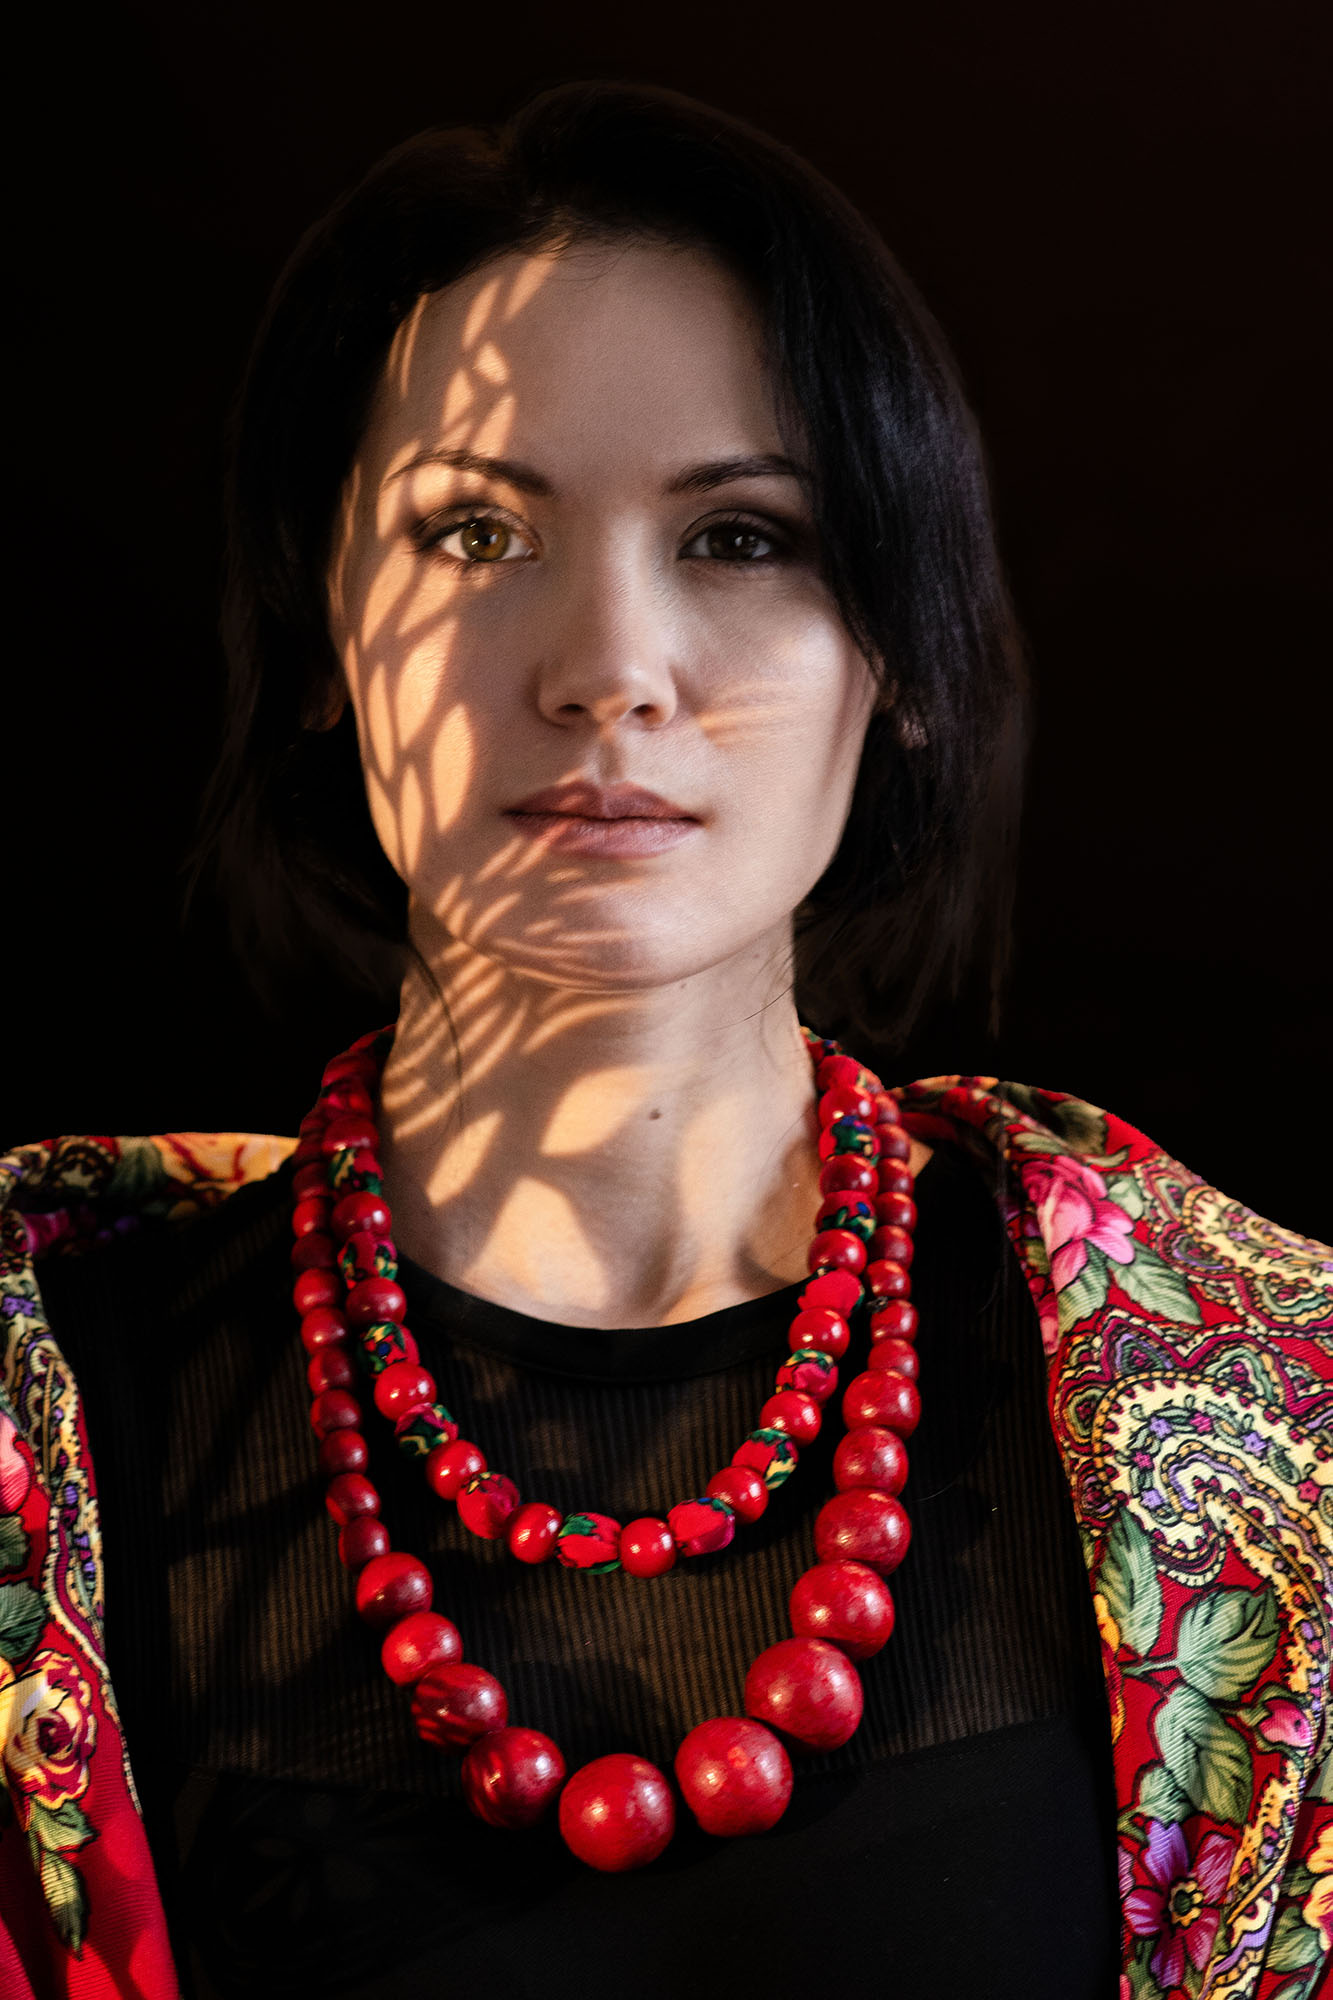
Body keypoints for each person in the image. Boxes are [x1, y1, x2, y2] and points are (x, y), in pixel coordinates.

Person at [1, 78, 1329, 2000]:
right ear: (319, 631)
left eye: (737, 536)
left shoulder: (1263, 1424)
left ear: (895, 650)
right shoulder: (50, 1436)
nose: (610, 669)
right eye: (475, 531)